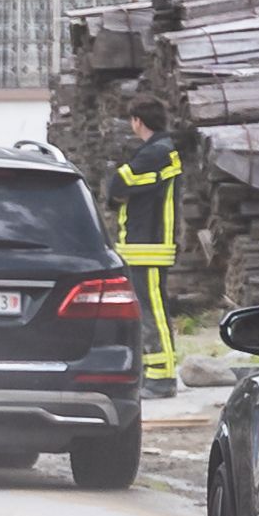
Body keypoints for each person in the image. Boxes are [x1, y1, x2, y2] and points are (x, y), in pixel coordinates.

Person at [110, 100, 182, 385]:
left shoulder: (157, 153)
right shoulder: (161, 151)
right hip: (145, 245)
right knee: (149, 310)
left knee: (153, 312)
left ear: (137, 121)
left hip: (148, 245)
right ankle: (152, 372)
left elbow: (117, 185)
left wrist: (119, 190)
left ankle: (162, 377)